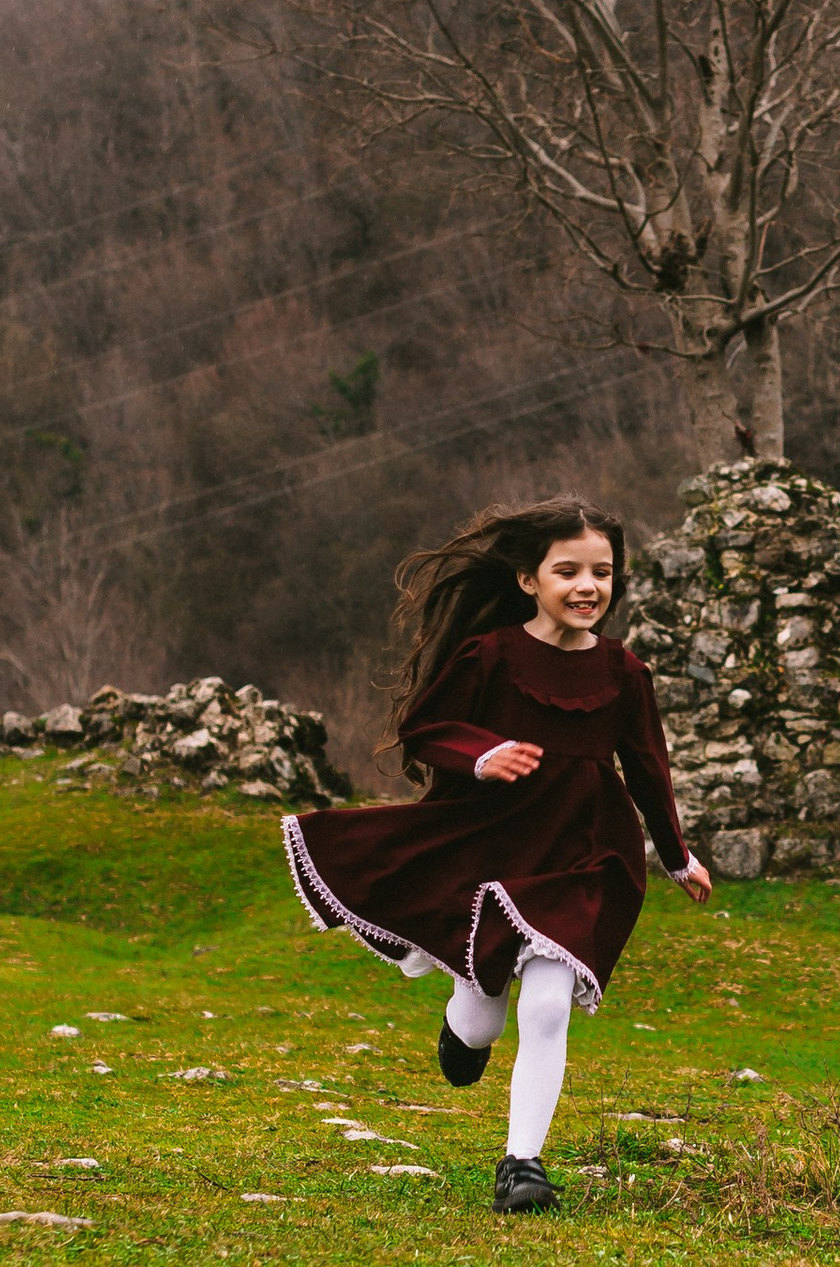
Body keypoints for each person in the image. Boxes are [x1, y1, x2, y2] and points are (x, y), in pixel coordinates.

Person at [283, 498, 710, 1212]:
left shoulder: (625, 671)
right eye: (567, 571)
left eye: (602, 572)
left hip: (586, 851)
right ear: (527, 580)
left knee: (546, 1003)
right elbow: (426, 728)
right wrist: (482, 755)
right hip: (492, 845)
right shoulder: (490, 654)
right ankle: (464, 1028)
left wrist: (676, 855)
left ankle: (522, 1166)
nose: (588, 586)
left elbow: (647, 767)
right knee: (484, 1020)